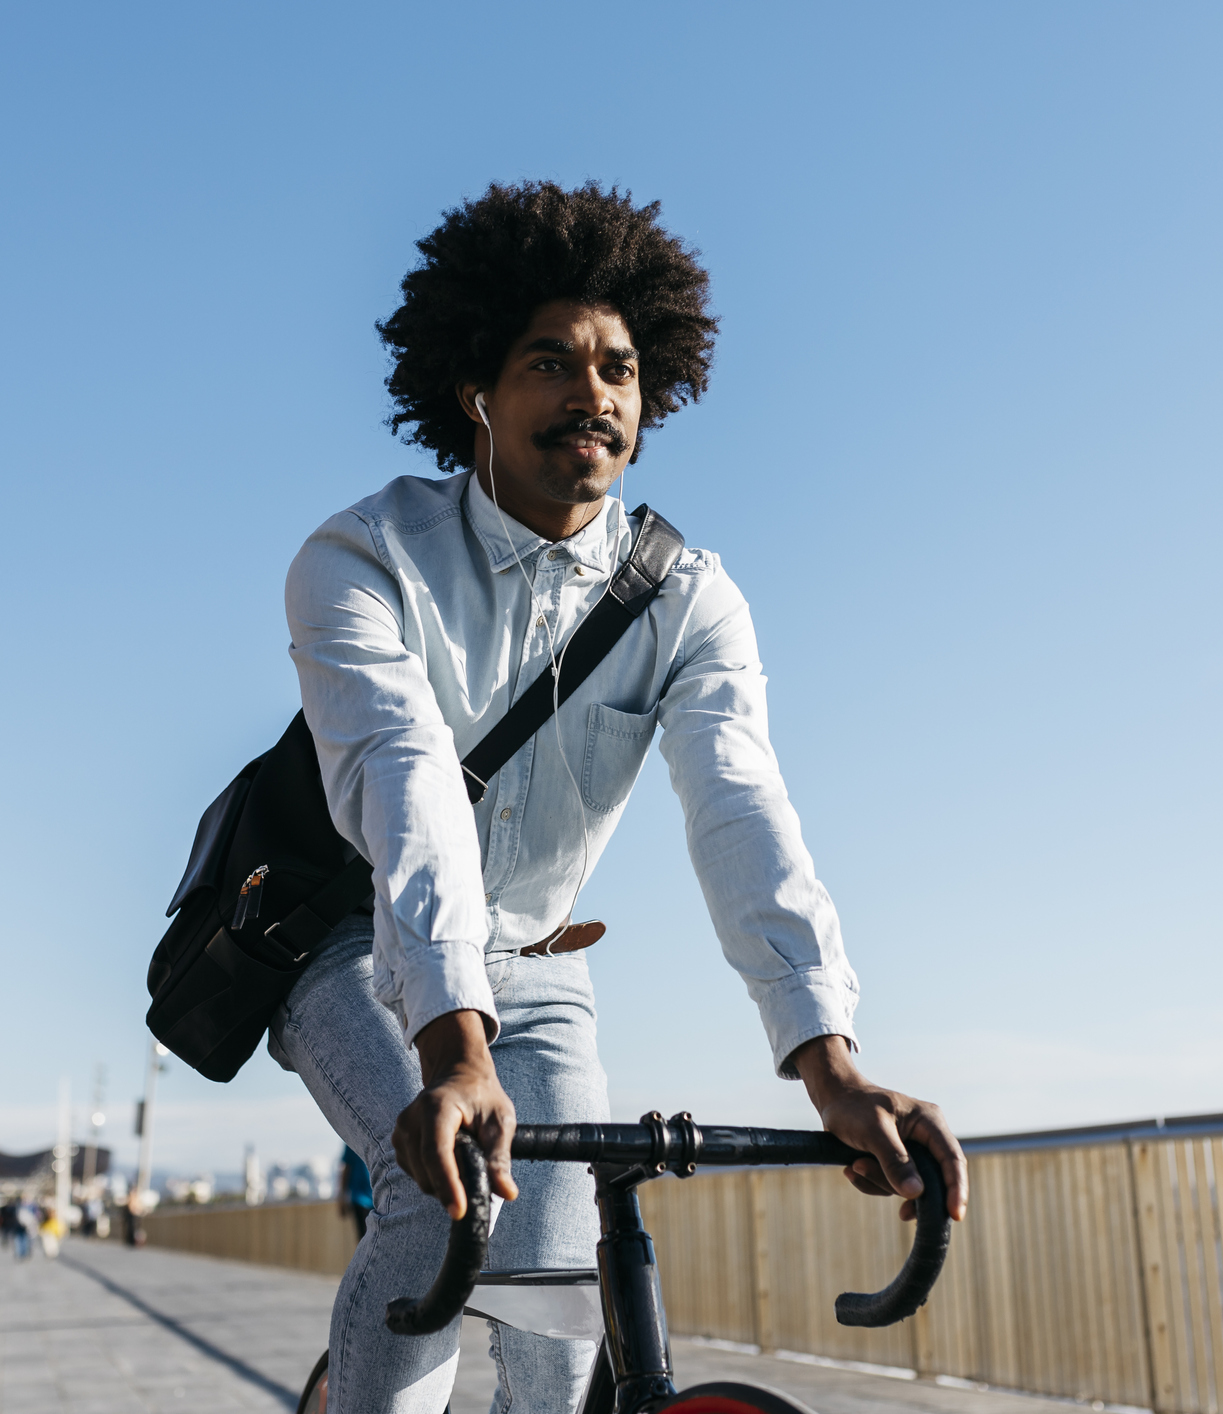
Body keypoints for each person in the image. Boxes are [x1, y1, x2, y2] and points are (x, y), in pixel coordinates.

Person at [272, 180, 967, 1414]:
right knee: (442, 1201)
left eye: (620, 368)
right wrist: (451, 1040)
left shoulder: (689, 597)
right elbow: (407, 777)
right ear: (474, 391)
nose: (594, 392)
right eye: (551, 361)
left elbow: (741, 807)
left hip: (540, 963)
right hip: (348, 940)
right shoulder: (363, 559)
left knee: (560, 1257)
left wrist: (829, 1065)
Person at [336, 1146, 373, 1243]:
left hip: (378, 1199)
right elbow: (346, 1168)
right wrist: (342, 1197)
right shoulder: (352, 1140)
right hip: (360, 1199)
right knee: (365, 1239)